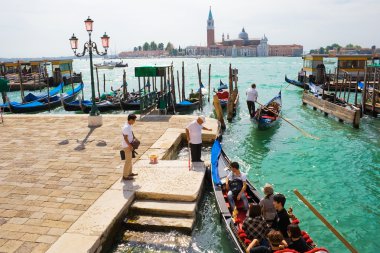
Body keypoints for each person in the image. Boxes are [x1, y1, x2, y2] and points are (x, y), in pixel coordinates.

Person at [121, 114, 138, 180]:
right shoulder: (126, 127)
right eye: (134, 120)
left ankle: (129, 173)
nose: (134, 122)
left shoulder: (129, 125)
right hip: (127, 146)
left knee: (130, 159)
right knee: (128, 161)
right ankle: (125, 175)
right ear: (131, 120)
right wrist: (130, 145)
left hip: (129, 145)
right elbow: (125, 138)